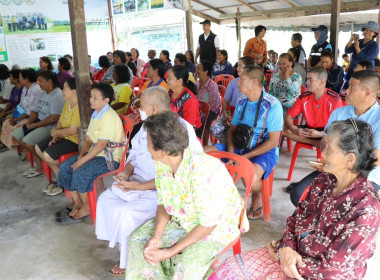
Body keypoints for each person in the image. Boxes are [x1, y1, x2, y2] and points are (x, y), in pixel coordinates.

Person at [210, 120, 380, 280]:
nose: (323, 153)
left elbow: (335, 268)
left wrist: (283, 257)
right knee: (227, 269)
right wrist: (286, 247)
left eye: (330, 150)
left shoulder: (366, 208)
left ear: (350, 159)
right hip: (289, 255)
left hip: (317, 274)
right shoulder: (324, 181)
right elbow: (296, 219)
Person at [125, 110, 248, 279]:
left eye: (148, 142)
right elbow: (164, 201)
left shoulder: (204, 172)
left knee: (187, 265)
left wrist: (170, 252)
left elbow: (208, 225)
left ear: (162, 149)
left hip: (216, 227)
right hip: (183, 217)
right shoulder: (163, 163)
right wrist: (157, 236)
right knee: (139, 240)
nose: (146, 147)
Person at [95, 87, 202, 276]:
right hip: (137, 181)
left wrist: (140, 187)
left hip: (160, 189)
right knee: (105, 199)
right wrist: (126, 175)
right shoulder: (146, 127)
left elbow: (178, 176)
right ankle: (123, 244)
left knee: (126, 212)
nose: (138, 110)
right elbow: (134, 155)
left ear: (153, 108)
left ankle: (127, 259)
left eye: (141, 106)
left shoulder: (182, 129)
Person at [289, 70, 380, 204]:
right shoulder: (340, 113)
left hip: (366, 177)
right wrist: (330, 160)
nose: (346, 91)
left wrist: (337, 163)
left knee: (341, 205)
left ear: (367, 92)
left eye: (351, 87)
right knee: (298, 194)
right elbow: (325, 142)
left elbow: (374, 160)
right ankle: (319, 223)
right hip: (334, 171)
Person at [205, 65, 283, 220]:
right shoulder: (242, 101)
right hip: (240, 146)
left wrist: (243, 158)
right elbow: (232, 131)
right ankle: (211, 197)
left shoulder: (272, 105)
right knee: (203, 154)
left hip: (265, 150)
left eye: (242, 79)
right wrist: (233, 155)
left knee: (251, 176)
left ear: (254, 82)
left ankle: (257, 194)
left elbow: (274, 141)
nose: (237, 82)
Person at [57, 83, 125, 223]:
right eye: (91, 97)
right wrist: (81, 156)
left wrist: (81, 161)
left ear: (106, 101)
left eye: (95, 98)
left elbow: (101, 145)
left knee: (80, 171)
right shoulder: (96, 114)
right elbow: (88, 140)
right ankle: (78, 203)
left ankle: (87, 207)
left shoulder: (108, 117)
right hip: (96, 154)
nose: (91, 100)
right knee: (65, 167)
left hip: (109, 158)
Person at [12, 71, 65, 177]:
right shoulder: (43, 93)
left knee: (27, 141)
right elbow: (34, 111)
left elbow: (54, 118)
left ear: (49, 81)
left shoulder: (57, 94)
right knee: (16, 135)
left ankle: (40, 165)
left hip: (50, 127)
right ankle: (39, 161)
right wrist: (29, 122)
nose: (38, 83)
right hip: (39, 122)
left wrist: (35, 125)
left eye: (40, 81)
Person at [35, 78, 81, 196]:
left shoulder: (79, 107)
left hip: (75, 141)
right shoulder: (68, 104)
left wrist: (56, 133)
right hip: (63, 137)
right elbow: (60, 123)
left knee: (48, 155)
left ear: (74, 91)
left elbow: (72, 131)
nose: (62, 91)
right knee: (38, 148)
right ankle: (61, 178)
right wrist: (55, 135)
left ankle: (62, 180)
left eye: (65, 88)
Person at [283, 67, 343, 147]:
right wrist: (293, 129)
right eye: (307, 79)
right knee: (282, 129)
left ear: (321, 82)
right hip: (309, 130)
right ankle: (316, 143)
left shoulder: (334, 99)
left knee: (334, 139)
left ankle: (320, 142)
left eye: (310, 79)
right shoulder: (303, 98)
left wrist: (320, 134)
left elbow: (339, 126)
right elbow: (288, 116)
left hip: (326, 131)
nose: (307, 82)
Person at [210, 56, 255, 143]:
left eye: (240, 66)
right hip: (231, 114)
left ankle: (233, 142)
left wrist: (239, 119)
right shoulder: (234, 82)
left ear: (247, 68)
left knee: (245, 132)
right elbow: (225, 102)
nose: (237, 68)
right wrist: (226, 116)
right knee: (215, 128)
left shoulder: (254, 85)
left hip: (246, 118)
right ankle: (231, 142)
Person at [1, 69, 42, 152]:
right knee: (6, 123)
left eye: (20, 77)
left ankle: (23, 147)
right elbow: (20, 105)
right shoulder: (24, 89)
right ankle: (19, 146)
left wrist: (17, 119)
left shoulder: (35, 89)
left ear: (26, 79)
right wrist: (14, 117)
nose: (19, 79)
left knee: (14, 128)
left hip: (32, 117)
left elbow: (31, 112)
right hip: (22, 115)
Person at [167, 65, 202, 138]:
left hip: (188, 134)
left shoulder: (190, 100)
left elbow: (188, 127)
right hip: (173, 128)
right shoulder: (171, 93)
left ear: (179, 81)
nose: (167, 80)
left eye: (169, 78)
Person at [195, 60, 221, 145]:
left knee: (202, 118)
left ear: (206, 71)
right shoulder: (196, 84)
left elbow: (214, 106)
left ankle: (201, 143)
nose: (196, 70)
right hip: (199, 110)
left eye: (199, 68)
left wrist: (203, 109)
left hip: (211, 112)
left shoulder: (212, 86)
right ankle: (193, 140)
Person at [0, 69, 23, 152]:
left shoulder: (22, 90)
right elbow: (10, 102)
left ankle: (7, 142)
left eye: (11, 77)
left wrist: (6, 113)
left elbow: (20, 107)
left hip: (19, 111)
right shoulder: (14, 89)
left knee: (6, 120)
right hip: (12, 109)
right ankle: (5, 140)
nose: (9, 78)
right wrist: (4, 111)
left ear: (16, 79)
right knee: (3, 116)